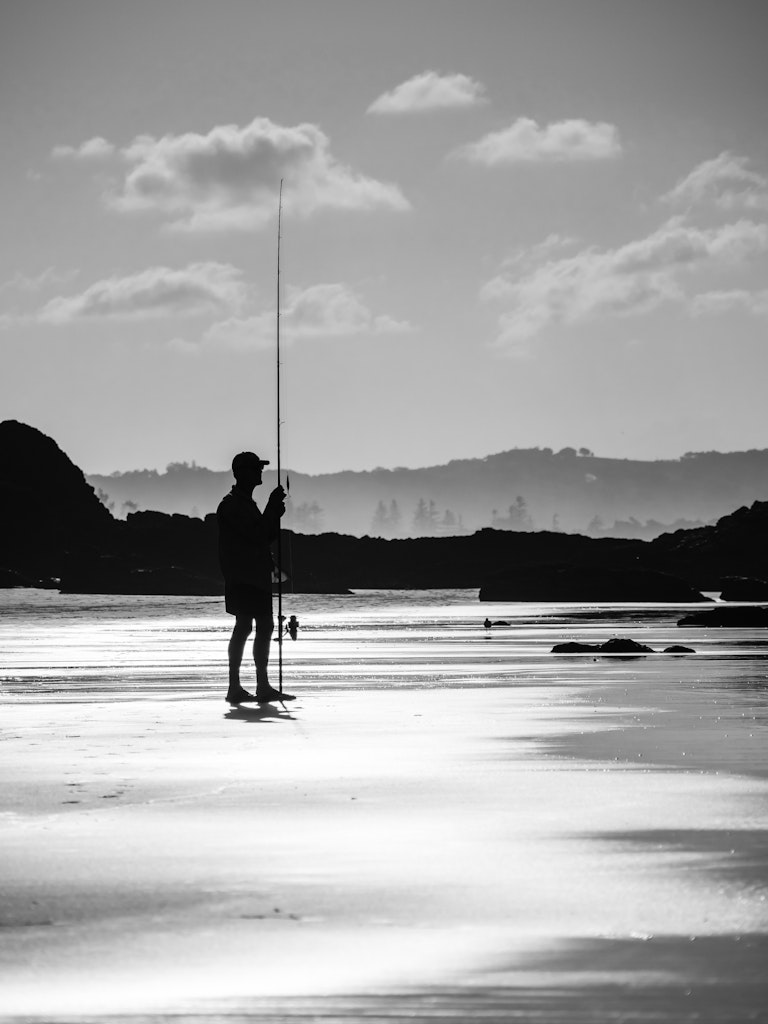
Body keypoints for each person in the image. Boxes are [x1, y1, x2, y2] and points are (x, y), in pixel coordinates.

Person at [217, 451, 295, 704]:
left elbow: (264, 535)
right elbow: (256, 535)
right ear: (241, 473)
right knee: (248, 627)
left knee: (257, 626)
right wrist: (272, 509)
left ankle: (254, 686)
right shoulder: (231, 505)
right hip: (244, 577)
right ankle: (241, 687)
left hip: (254, 576)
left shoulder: (245, 504)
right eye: (255, 469)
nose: (259, 473)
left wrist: (273, 513)